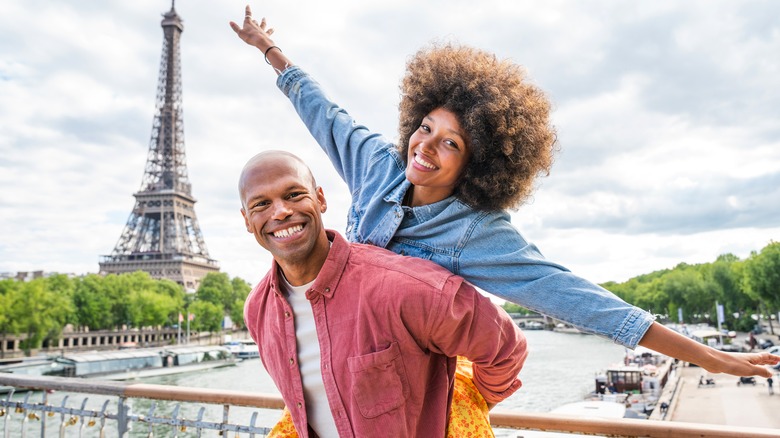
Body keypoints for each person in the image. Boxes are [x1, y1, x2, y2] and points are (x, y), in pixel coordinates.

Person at [230, 5, 779, 377]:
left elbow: (586, 303)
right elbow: (323, 112)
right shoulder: (378, 164)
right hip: (345, 358)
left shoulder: (480, 234)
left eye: (451, 144)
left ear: (478, 165)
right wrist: (269, 50)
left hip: (412, 373)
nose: (425, 147)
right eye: (425, 128)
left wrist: (710, 357)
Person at [239, 150, 527, 437]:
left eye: (293, 195)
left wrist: (464, 407)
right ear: (247, 220)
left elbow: (506, 349)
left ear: (321, 199)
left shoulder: (404, 286)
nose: (280, 212)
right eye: (261, 204)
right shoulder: (258, 311)